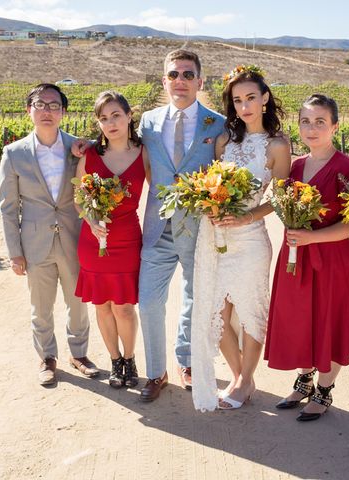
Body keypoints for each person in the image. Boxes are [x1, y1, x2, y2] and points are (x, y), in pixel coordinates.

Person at [191, 65, 291, 411]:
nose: (245, 106)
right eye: (237, 100)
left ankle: (245, 380)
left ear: (264, 99)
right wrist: (209, 204)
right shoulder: (224, 141)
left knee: (251, 312)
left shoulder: (278, 145)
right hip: (219, 238)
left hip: (250, 240)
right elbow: (213, 185)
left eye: (251, 97)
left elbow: (279, 197)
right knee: (215, 315)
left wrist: (248, 215)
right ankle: (239, 376)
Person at [264, 94, 349, 421]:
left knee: (328, 322)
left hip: (332, 259)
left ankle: (324, 390)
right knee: (301, 320)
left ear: (335, 125)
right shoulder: (295, 166)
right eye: (306, 121)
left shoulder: (347, 168)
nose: (312, 128)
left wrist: (313, 237)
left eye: (320, 121)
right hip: (297, 257)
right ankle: (304, 380)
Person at [137, 50, 226, 402]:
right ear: (164, 80)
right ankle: (155, 371)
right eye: (174, 74)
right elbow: (139, 162)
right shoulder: (148, 121)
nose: (181, 81)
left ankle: (186, 361)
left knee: (194, 297)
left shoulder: (216, 124)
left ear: (200, 82)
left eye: (188, 75)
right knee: (148, 302)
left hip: (198, 228)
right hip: (158, 227)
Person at [0, 83, 99, 386]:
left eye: (54, 105)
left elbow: (98, 168)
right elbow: (8, 207)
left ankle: (79, 354)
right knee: (40, 306)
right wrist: (15, 252)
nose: (47, 111)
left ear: (64, 111)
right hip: (35, 243)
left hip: (73, 238)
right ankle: (46, 358)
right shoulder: (13, 154)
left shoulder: (79, 148)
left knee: (78, 302)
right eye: (40, 104)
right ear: (29, 110)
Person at [74, 91, 149, 389]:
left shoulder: (144, 153)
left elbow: (158, 194)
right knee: (102, 305)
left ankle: (130, 360)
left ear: (129, 116)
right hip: (93, 239)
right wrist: (91, 222)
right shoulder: (91, 155)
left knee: (124, 306)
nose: (110, 122)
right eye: (103, 118)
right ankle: (114, 361)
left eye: (116, 115)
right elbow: (77, 197)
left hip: (128, 238)